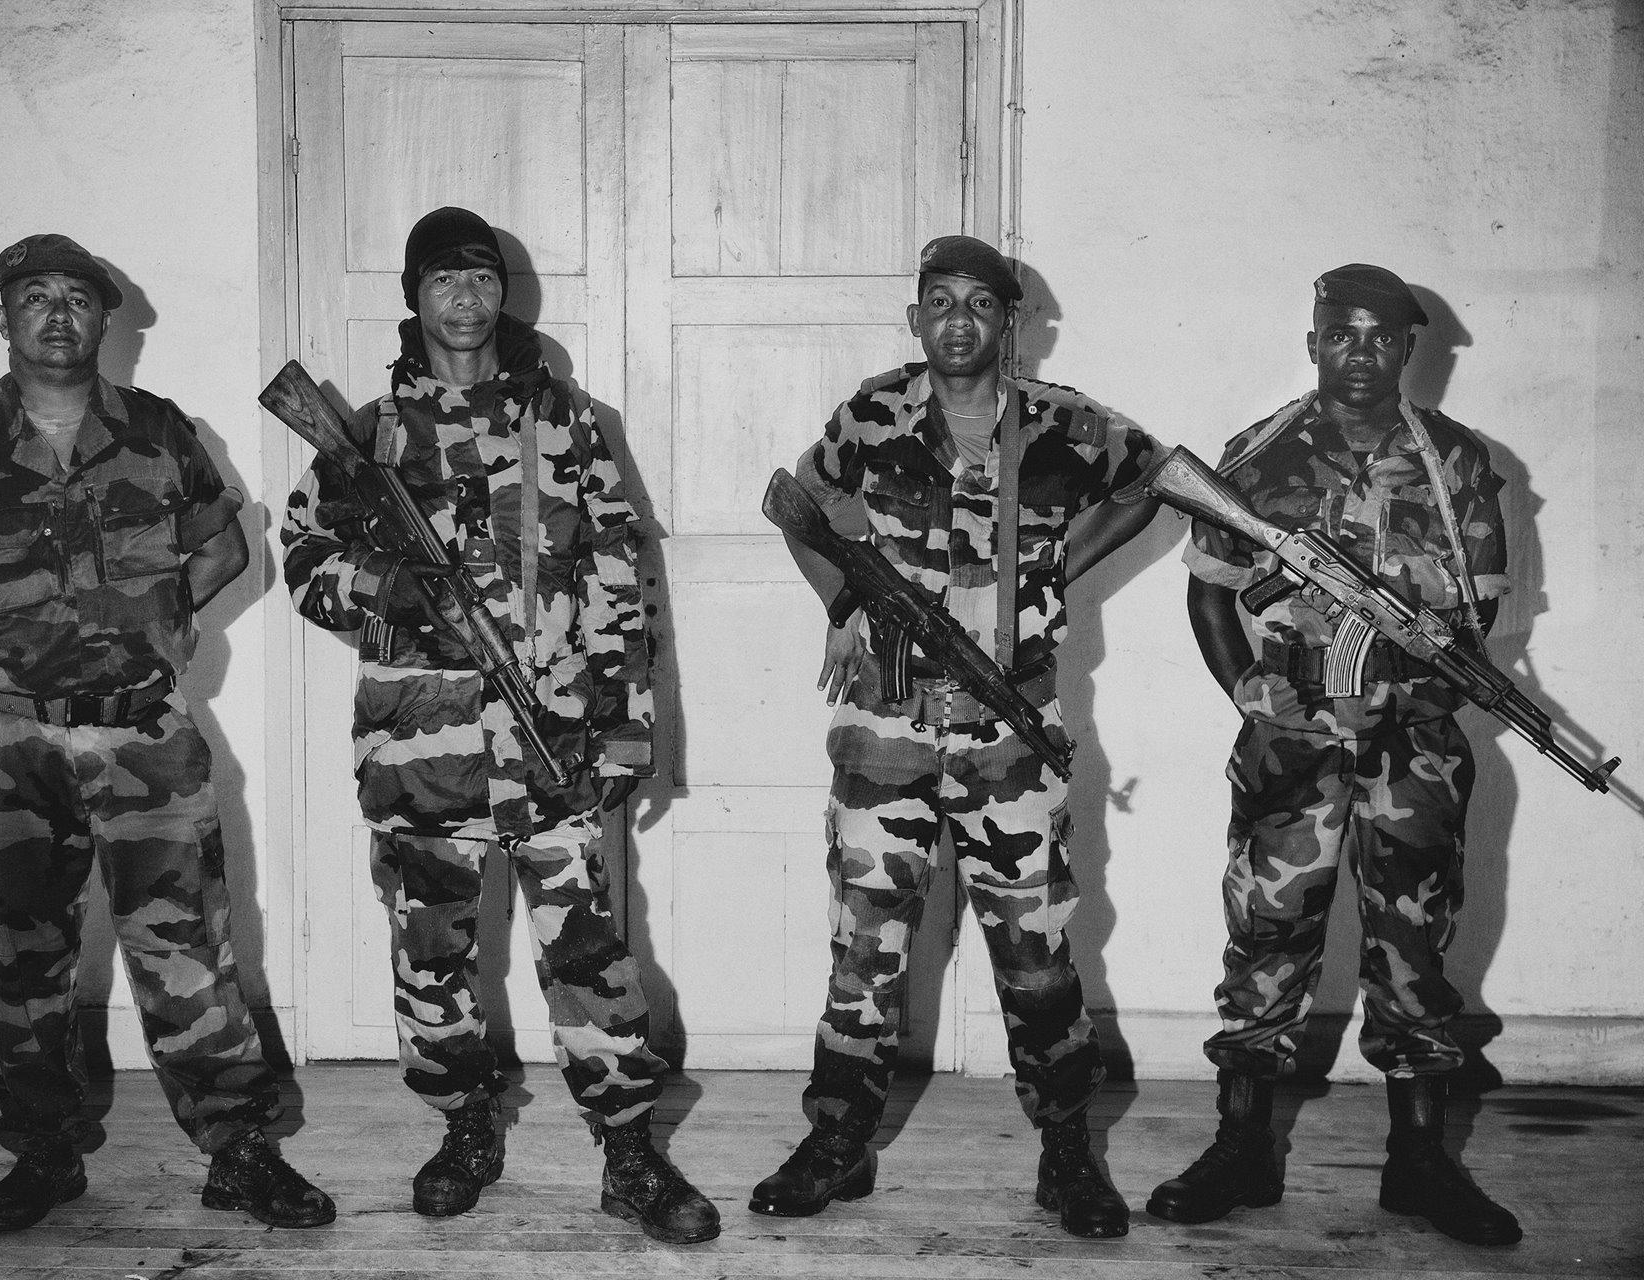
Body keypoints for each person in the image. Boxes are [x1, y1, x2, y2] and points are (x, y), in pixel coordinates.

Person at [0, 234, 334, 1233]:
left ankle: (240, 1150)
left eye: (77, 299)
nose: (55, 314)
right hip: (16, 743)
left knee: (187, 952)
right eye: (33, 297)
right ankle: (44, 1154)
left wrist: (163, 623)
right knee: (28, 954)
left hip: (143, 737)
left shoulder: (158, 431)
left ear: (104, 321)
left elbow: (222, 542)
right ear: (4, 319)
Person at [280, 206, 718, 1245]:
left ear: (502, 295)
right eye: (443, 279)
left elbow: (622, 571)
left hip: (556, 739)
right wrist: (390, 588)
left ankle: (628, 1152)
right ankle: (465, 1125)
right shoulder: (370, 433)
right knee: (431, 953)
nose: (465, 297)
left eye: (481, 278)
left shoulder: (563, 419)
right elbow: (302, 556)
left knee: (591, 956)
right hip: (421, 748)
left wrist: (628, 730)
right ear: (414, 298)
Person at [750, 235, 1161, 1238]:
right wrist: (847, 600)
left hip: (1012, 732)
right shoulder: (873, 414)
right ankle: (837, 1140)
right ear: (916, 318)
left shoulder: (1063, 425)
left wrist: (1059, 568)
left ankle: (1067, 1149)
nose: (959, 320)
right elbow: (797, 507)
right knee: (866, 946)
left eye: (981, 302)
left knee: (1037, 953)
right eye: (941, 301)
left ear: (1010, 321)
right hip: (885, 727)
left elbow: (1155, 480)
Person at [1149, 263, 1518, 1246]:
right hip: (1295, 741)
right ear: (1315, 341)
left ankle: (1421, 1158)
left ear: (1409, 348)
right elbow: (1206, 592)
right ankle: (1241, 1148)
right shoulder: (1258, 457)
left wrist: (1397, 637)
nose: (1361, 351)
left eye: (1381, 336)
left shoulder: (1457, 461)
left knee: (1415, 949)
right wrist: (1248, 687)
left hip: (1415, 747)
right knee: (1266, 936)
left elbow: (1477, 610)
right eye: (1341, 333)